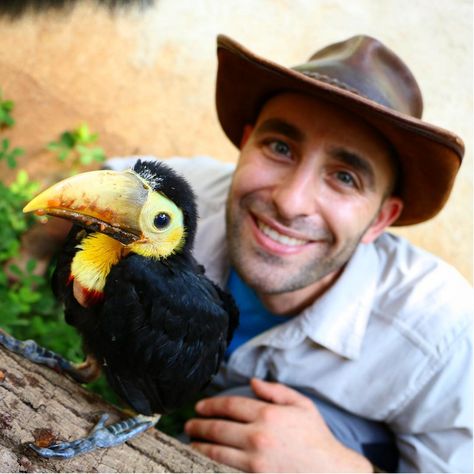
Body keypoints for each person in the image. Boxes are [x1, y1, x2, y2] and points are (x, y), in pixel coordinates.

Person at [65, 34, 474, 472]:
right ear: (246, 144)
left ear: (380, 219)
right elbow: (90, 191)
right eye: (280, 148)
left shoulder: (440, 333)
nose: (290, 201)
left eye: (345, 177)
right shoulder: (179, 207)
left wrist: (340, 469)